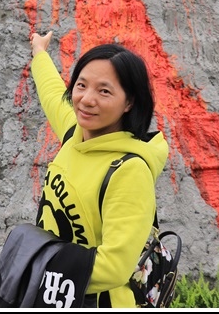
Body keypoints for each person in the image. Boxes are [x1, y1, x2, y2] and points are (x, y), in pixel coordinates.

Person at [29, 31, 168, 308]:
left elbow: (114, 266)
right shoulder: (76, 134)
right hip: (56, 294)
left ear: (129, 102)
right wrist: (39, 52)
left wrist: (34, 270)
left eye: (104, 91)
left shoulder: (129, 170)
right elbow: (53, 93)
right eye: (81, 85)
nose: (86, 99)